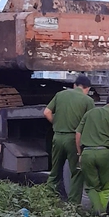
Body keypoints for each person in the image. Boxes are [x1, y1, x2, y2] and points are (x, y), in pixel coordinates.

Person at [43, 74, 95, 204]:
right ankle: (73, 206)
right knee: (76, 173)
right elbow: (90, 122)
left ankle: (46, 201)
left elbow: (46, 112)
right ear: (87, 88)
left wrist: (56, 123)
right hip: (73, 140)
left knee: (55, 172)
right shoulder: (88, 100)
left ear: (74, 85)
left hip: (57, 137)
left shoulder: (60, 95)